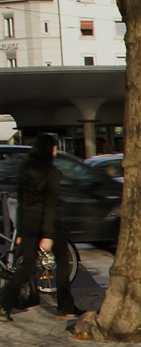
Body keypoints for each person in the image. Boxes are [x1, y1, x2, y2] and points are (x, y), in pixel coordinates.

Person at [1, 134, 78, 321]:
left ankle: (4, 304)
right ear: (50, 150)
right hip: (47, 223)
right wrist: (48, 235)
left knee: (27, 266)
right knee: (62, 260)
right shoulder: (51, 173)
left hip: (27, 223)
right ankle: (65, 305)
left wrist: (19, 230)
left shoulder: (25, 170)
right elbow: (49, 205)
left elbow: (22, 202)